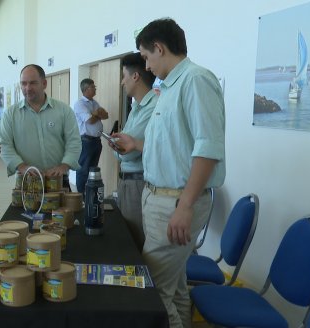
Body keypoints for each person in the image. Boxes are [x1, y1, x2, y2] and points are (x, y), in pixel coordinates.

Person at [113, 18, 225, 328]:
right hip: (158, 197)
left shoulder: (196, 80)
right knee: (174, 286)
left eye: (147, 57)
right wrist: (136, 143)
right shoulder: (169, 88)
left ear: (160, 49)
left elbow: (208, 148)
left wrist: (185, 206)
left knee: (154, 292)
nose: (146, 67)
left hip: (175, 202)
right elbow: (169, 144)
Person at [0, 64, 81, 186]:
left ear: (44, 84)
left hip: (58, 180)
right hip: (26, 181)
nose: (27, 88)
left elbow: (74, 142)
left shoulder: (64, 111)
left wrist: (64, 166)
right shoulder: (10, 114)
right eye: (23, 83)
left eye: (33, 83)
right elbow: (5, 145)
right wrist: (22, 167)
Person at [111, 52, 158, 251]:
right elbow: (121, 148)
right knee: (125, 238)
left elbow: (127, 151)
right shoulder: (138, 108)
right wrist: (119, 147)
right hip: (127, 181)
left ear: (135, 76)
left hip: (138, 182)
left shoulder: (153, 106)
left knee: (134, 243)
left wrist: (120, 147)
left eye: (124, 76)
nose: (122, 82)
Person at [74, 78, 108, 194]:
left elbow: (106, 115)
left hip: (96, 141)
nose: (95, 89)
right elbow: (90, 121)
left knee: (93, 171)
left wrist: (96, 114)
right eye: (93, 87)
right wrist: (97, 114)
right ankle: (81, 196)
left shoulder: (94, 103)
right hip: (86, 142)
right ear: (86, 89)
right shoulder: (79, 104)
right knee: (83, 170)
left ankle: (89, 194)